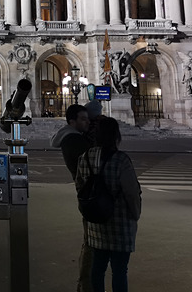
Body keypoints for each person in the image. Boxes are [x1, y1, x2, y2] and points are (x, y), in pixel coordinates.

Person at [76, 117, 141, 292]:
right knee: (120, 270)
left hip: (97, 223)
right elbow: (132, 193)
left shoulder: (85, 158)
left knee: (98, 268)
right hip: (120, 223)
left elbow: (80, 188)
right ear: (115, 136)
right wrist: (135, 215)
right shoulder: (121, 160)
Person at [52, 103, 92, 292]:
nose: (88, 123)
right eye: (84, 119)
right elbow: (92, 165)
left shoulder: (74, 138)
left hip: (87, 195)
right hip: (90, 196)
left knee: (91, 243)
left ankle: (86, 284)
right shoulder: (75, 141)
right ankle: (86, 285)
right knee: (92, 245)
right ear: (72, 121)